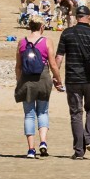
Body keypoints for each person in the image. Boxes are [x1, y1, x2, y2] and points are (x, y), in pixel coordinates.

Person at [58, 5, 90, 159]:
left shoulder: (67, 34)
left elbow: (59, 57)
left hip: (72, 80)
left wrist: (56, 77)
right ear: (89, 17)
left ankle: (79, 151)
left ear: (75, 16)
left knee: (76, 113)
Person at [14, 16, 55, 159]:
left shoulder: (21, 43)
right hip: (43, 78)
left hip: (26, 80)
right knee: (43, 112)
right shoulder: (47, 42)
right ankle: (43, 142)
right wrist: (58, 79)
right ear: (41, 27)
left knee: (29, 115)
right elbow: (53, 64)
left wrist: (19, 81)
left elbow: (18, 67)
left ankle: (31, 149)